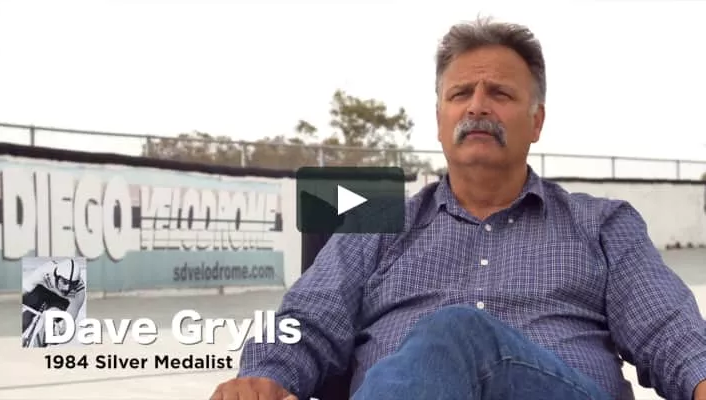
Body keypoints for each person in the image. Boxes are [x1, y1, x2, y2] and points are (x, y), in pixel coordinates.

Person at [211, 17, 706, 400]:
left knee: (457, 332)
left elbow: (669, 329)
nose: (477, 107)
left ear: (537, 121)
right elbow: (307, 320)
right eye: (461, 93)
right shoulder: (375, 223)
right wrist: (264, 377)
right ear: (439, 119)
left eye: (500, 93)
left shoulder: (601, 224)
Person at [21, 258, 86, 348]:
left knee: (48, 325)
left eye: (72, 284)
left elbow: (69, 321)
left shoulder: (79, 291)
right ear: (56, 276)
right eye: (64, 282)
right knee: (24, 319)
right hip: (41, 291)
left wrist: (61, 332)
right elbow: (24, 289)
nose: (67, 288)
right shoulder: (45, 271)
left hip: (60, 300)